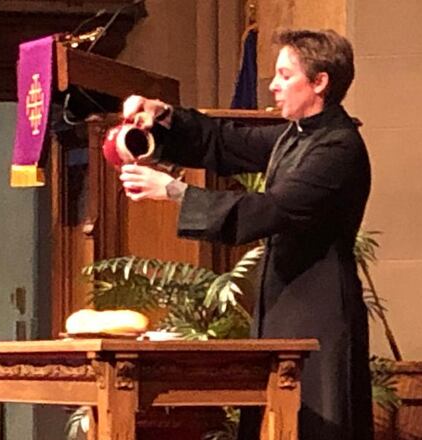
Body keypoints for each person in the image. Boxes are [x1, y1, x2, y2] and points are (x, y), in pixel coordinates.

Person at [120, 29, 372, 440]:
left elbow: (269, 209)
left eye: (285, 75)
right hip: (282, 304)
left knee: (314, 425)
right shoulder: (296, 136)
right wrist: (163, 114)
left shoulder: (338, 148)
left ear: (319, 82)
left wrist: (174, 191)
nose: (273, 85)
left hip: (321, 310)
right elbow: (226, 141)